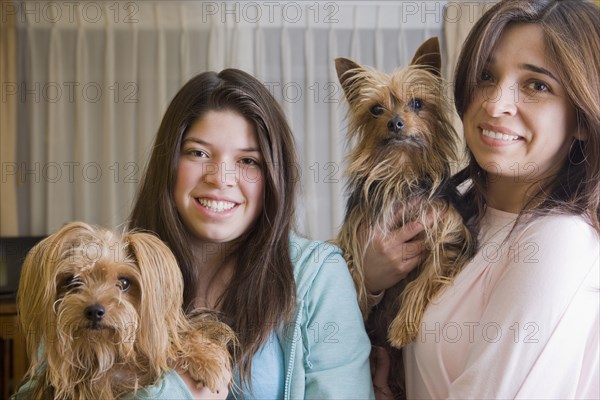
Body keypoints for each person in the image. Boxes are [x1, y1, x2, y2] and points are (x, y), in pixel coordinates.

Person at [367, 0, 600, 398]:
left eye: (536, 85)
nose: (494, 104)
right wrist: (371, 284)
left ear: (581, 118)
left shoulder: (557, 242)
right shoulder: (459, 212)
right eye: (486, 76)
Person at [128, 68, 374, 399]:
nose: (220, 178)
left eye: (248, 161)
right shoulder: (112, 276)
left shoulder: (318, 276)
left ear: (274, 176)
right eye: (199, 153)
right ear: (168, 163)